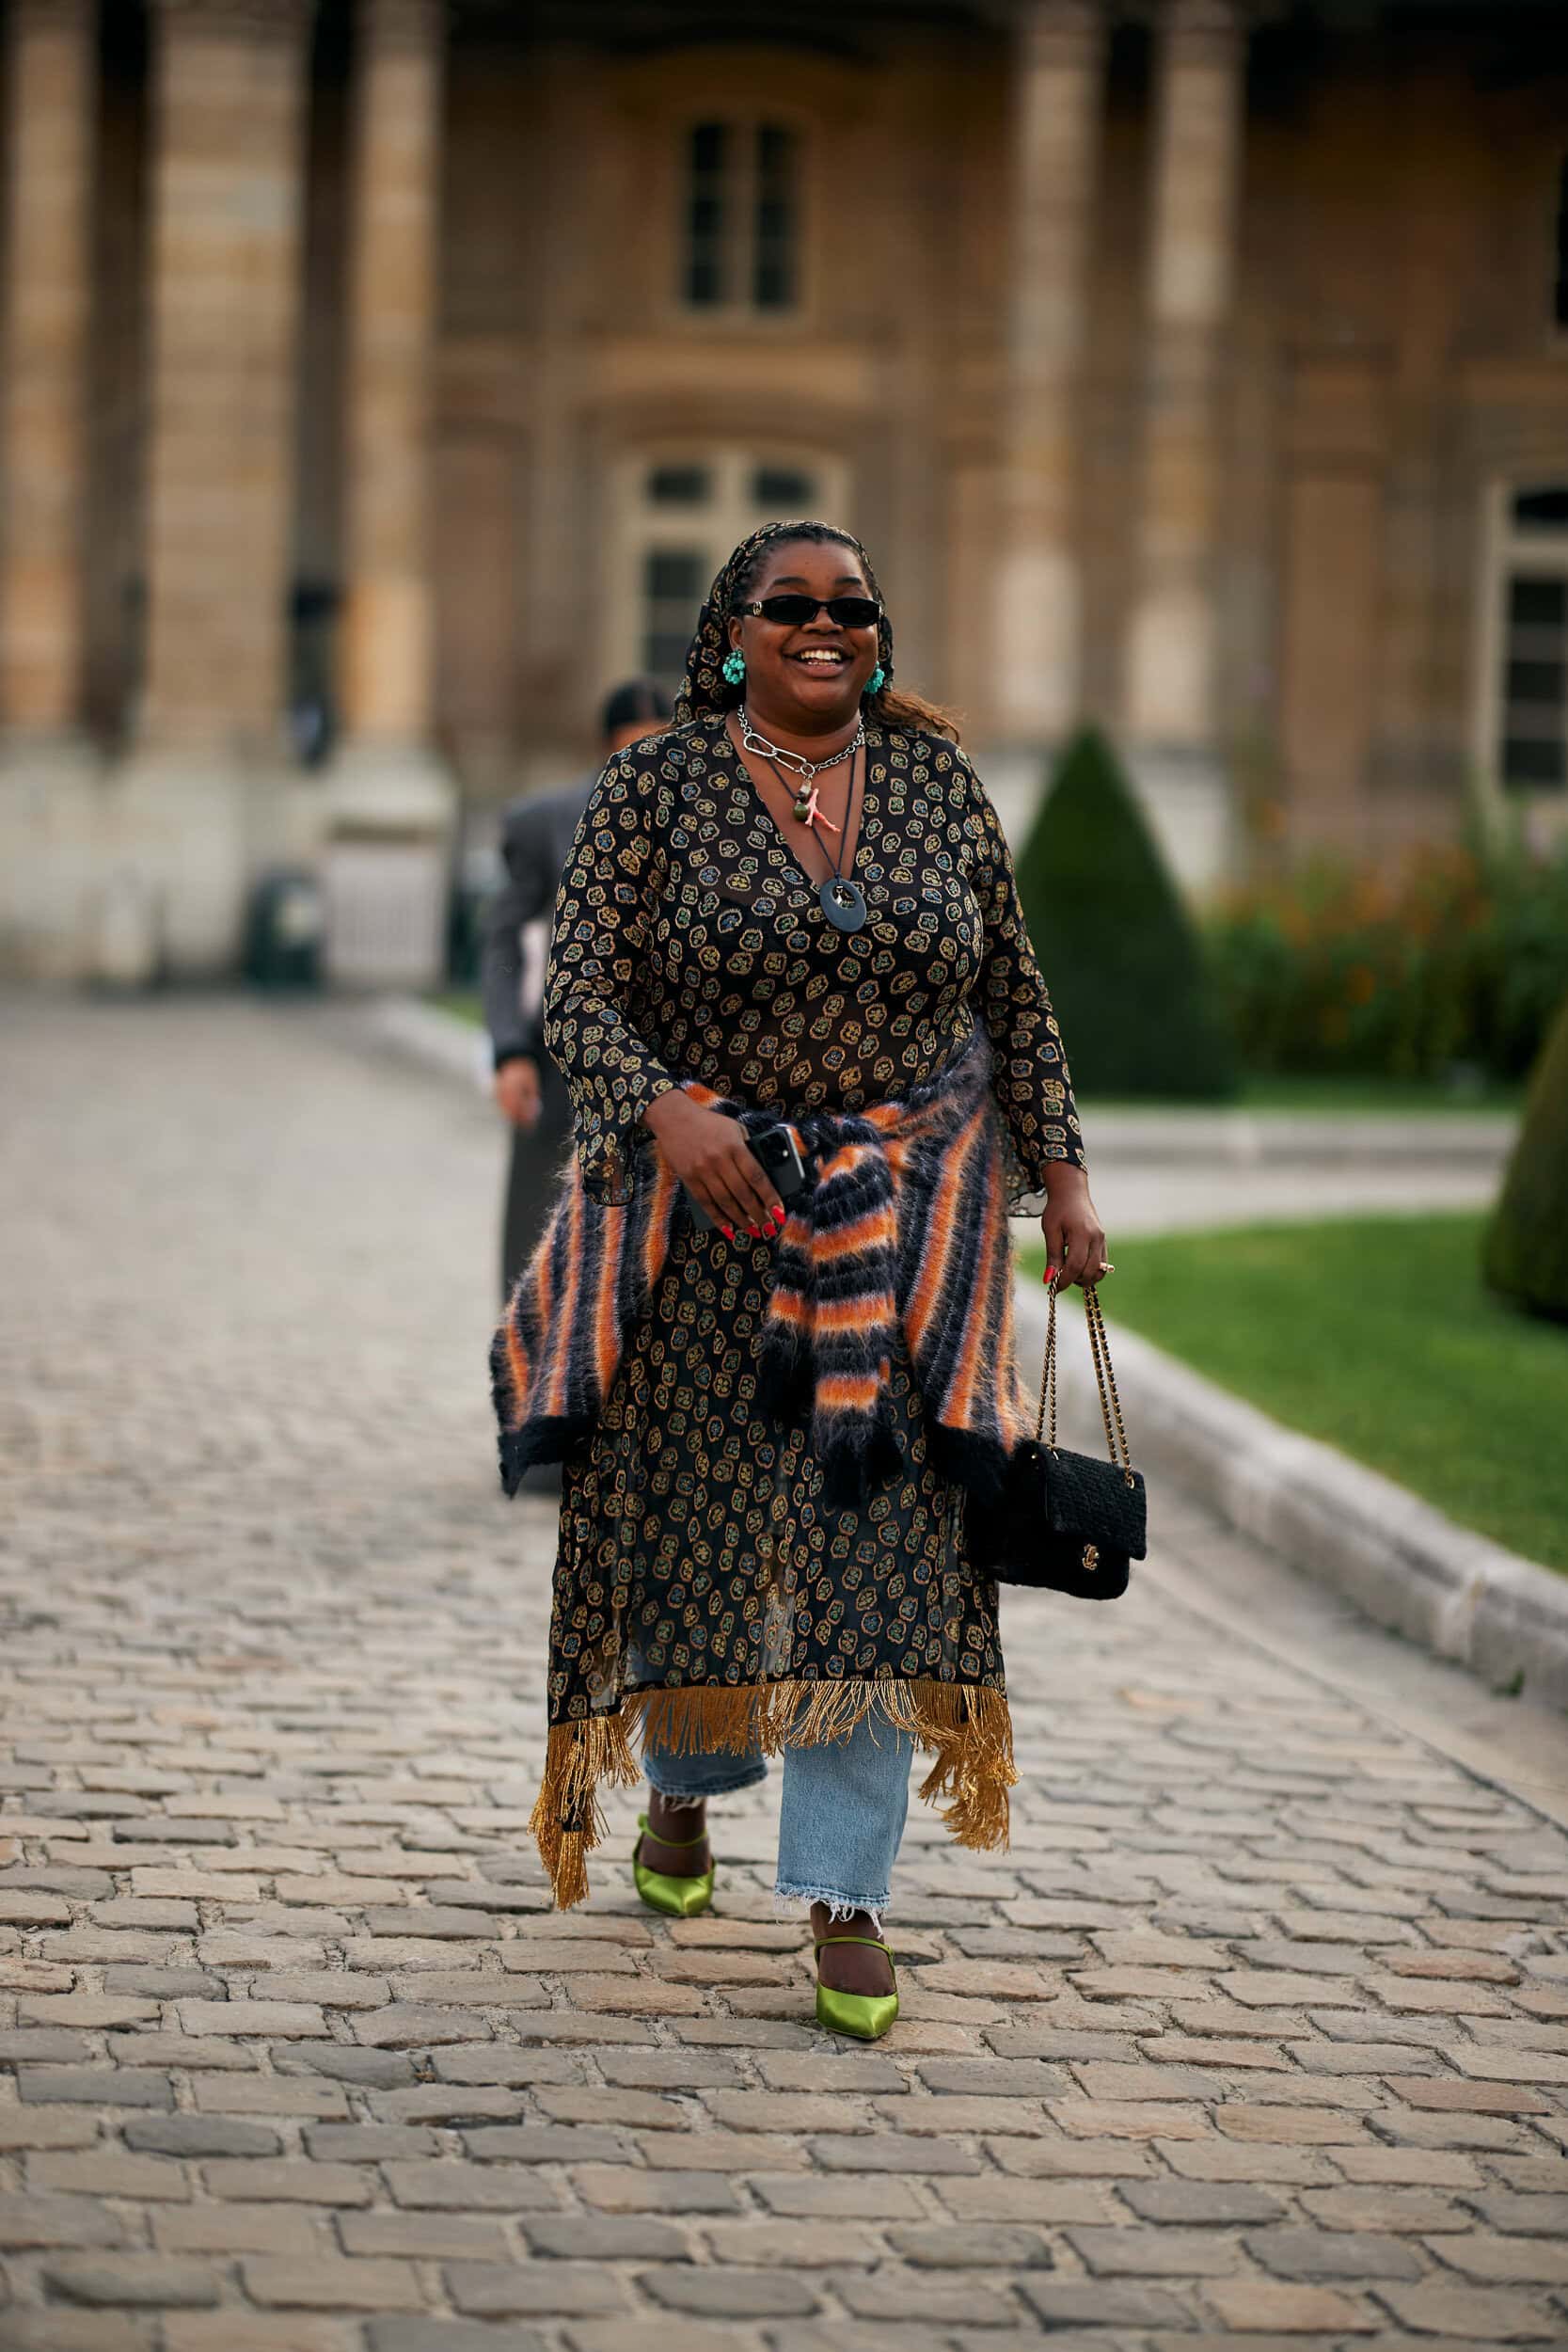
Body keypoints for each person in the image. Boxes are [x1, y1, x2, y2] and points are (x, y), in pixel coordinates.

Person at [492, 520, 1107, 2042]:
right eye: (790, 604)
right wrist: (668, 1111)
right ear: (731, 635)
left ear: (877, 637)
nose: (823, 625)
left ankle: (845, 1898)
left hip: (901, 1229)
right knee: (702, 1552)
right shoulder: (654, 787)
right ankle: (686, 1785)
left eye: (851, 606)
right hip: (703, 1232)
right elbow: (577, 993)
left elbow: (1011, 990)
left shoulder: (938, 787)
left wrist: (1064, 1172)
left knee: (878, 1558)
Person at [483, 679, 673, 1302]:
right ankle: (532, 1350)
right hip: (563, 1061)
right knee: (538, 1241)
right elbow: (504, 940)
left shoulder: (710, 822)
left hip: (672, 1067)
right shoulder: (545, 822)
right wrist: (509, 1050)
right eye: (633, 748)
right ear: (606, 747)